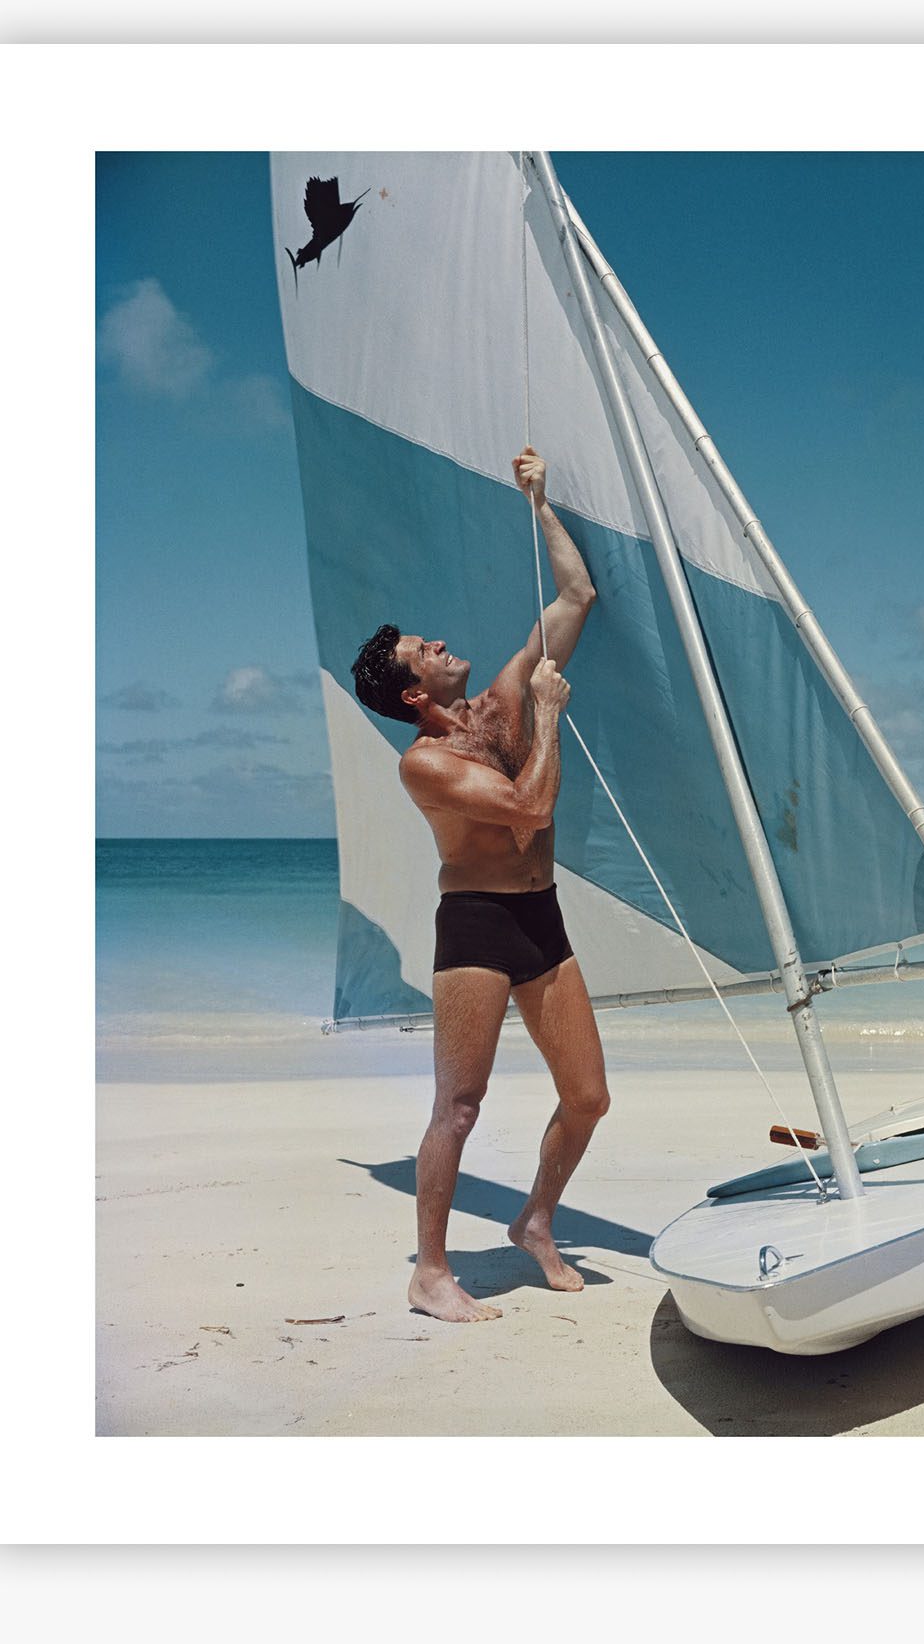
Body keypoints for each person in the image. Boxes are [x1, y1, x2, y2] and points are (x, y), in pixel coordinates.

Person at [348, 446, 605, 1322]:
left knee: (588, 1097)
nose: (438, 642)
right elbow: (529, 810)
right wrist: (551, 716)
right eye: (422, 649)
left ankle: (534, 1220)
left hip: (541, 918)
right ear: (412, 694)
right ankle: (430, 1272)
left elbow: (575, 597)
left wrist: (541, 502)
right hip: (477, 928)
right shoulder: (424, 764)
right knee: (459, 1107)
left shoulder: (498, 704)